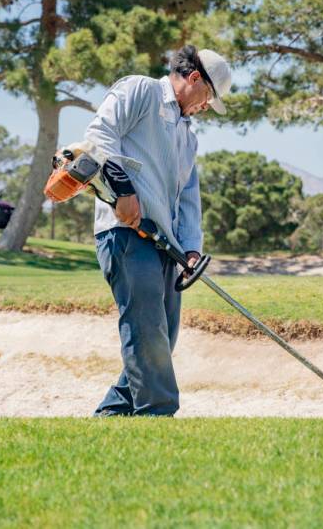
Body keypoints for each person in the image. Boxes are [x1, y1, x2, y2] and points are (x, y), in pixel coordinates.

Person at [83, 45, 231, 416]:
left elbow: (187, 198)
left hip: (165, 244)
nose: (206, 107)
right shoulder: (141, 90)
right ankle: (158, 414)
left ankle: (113, 415)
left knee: (164, 335)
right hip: (125, 233)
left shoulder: (188, 136)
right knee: (146, 326)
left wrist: (191, 249)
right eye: (209, 97)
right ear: (195, 79)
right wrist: (122, 190)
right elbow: (100, 134)